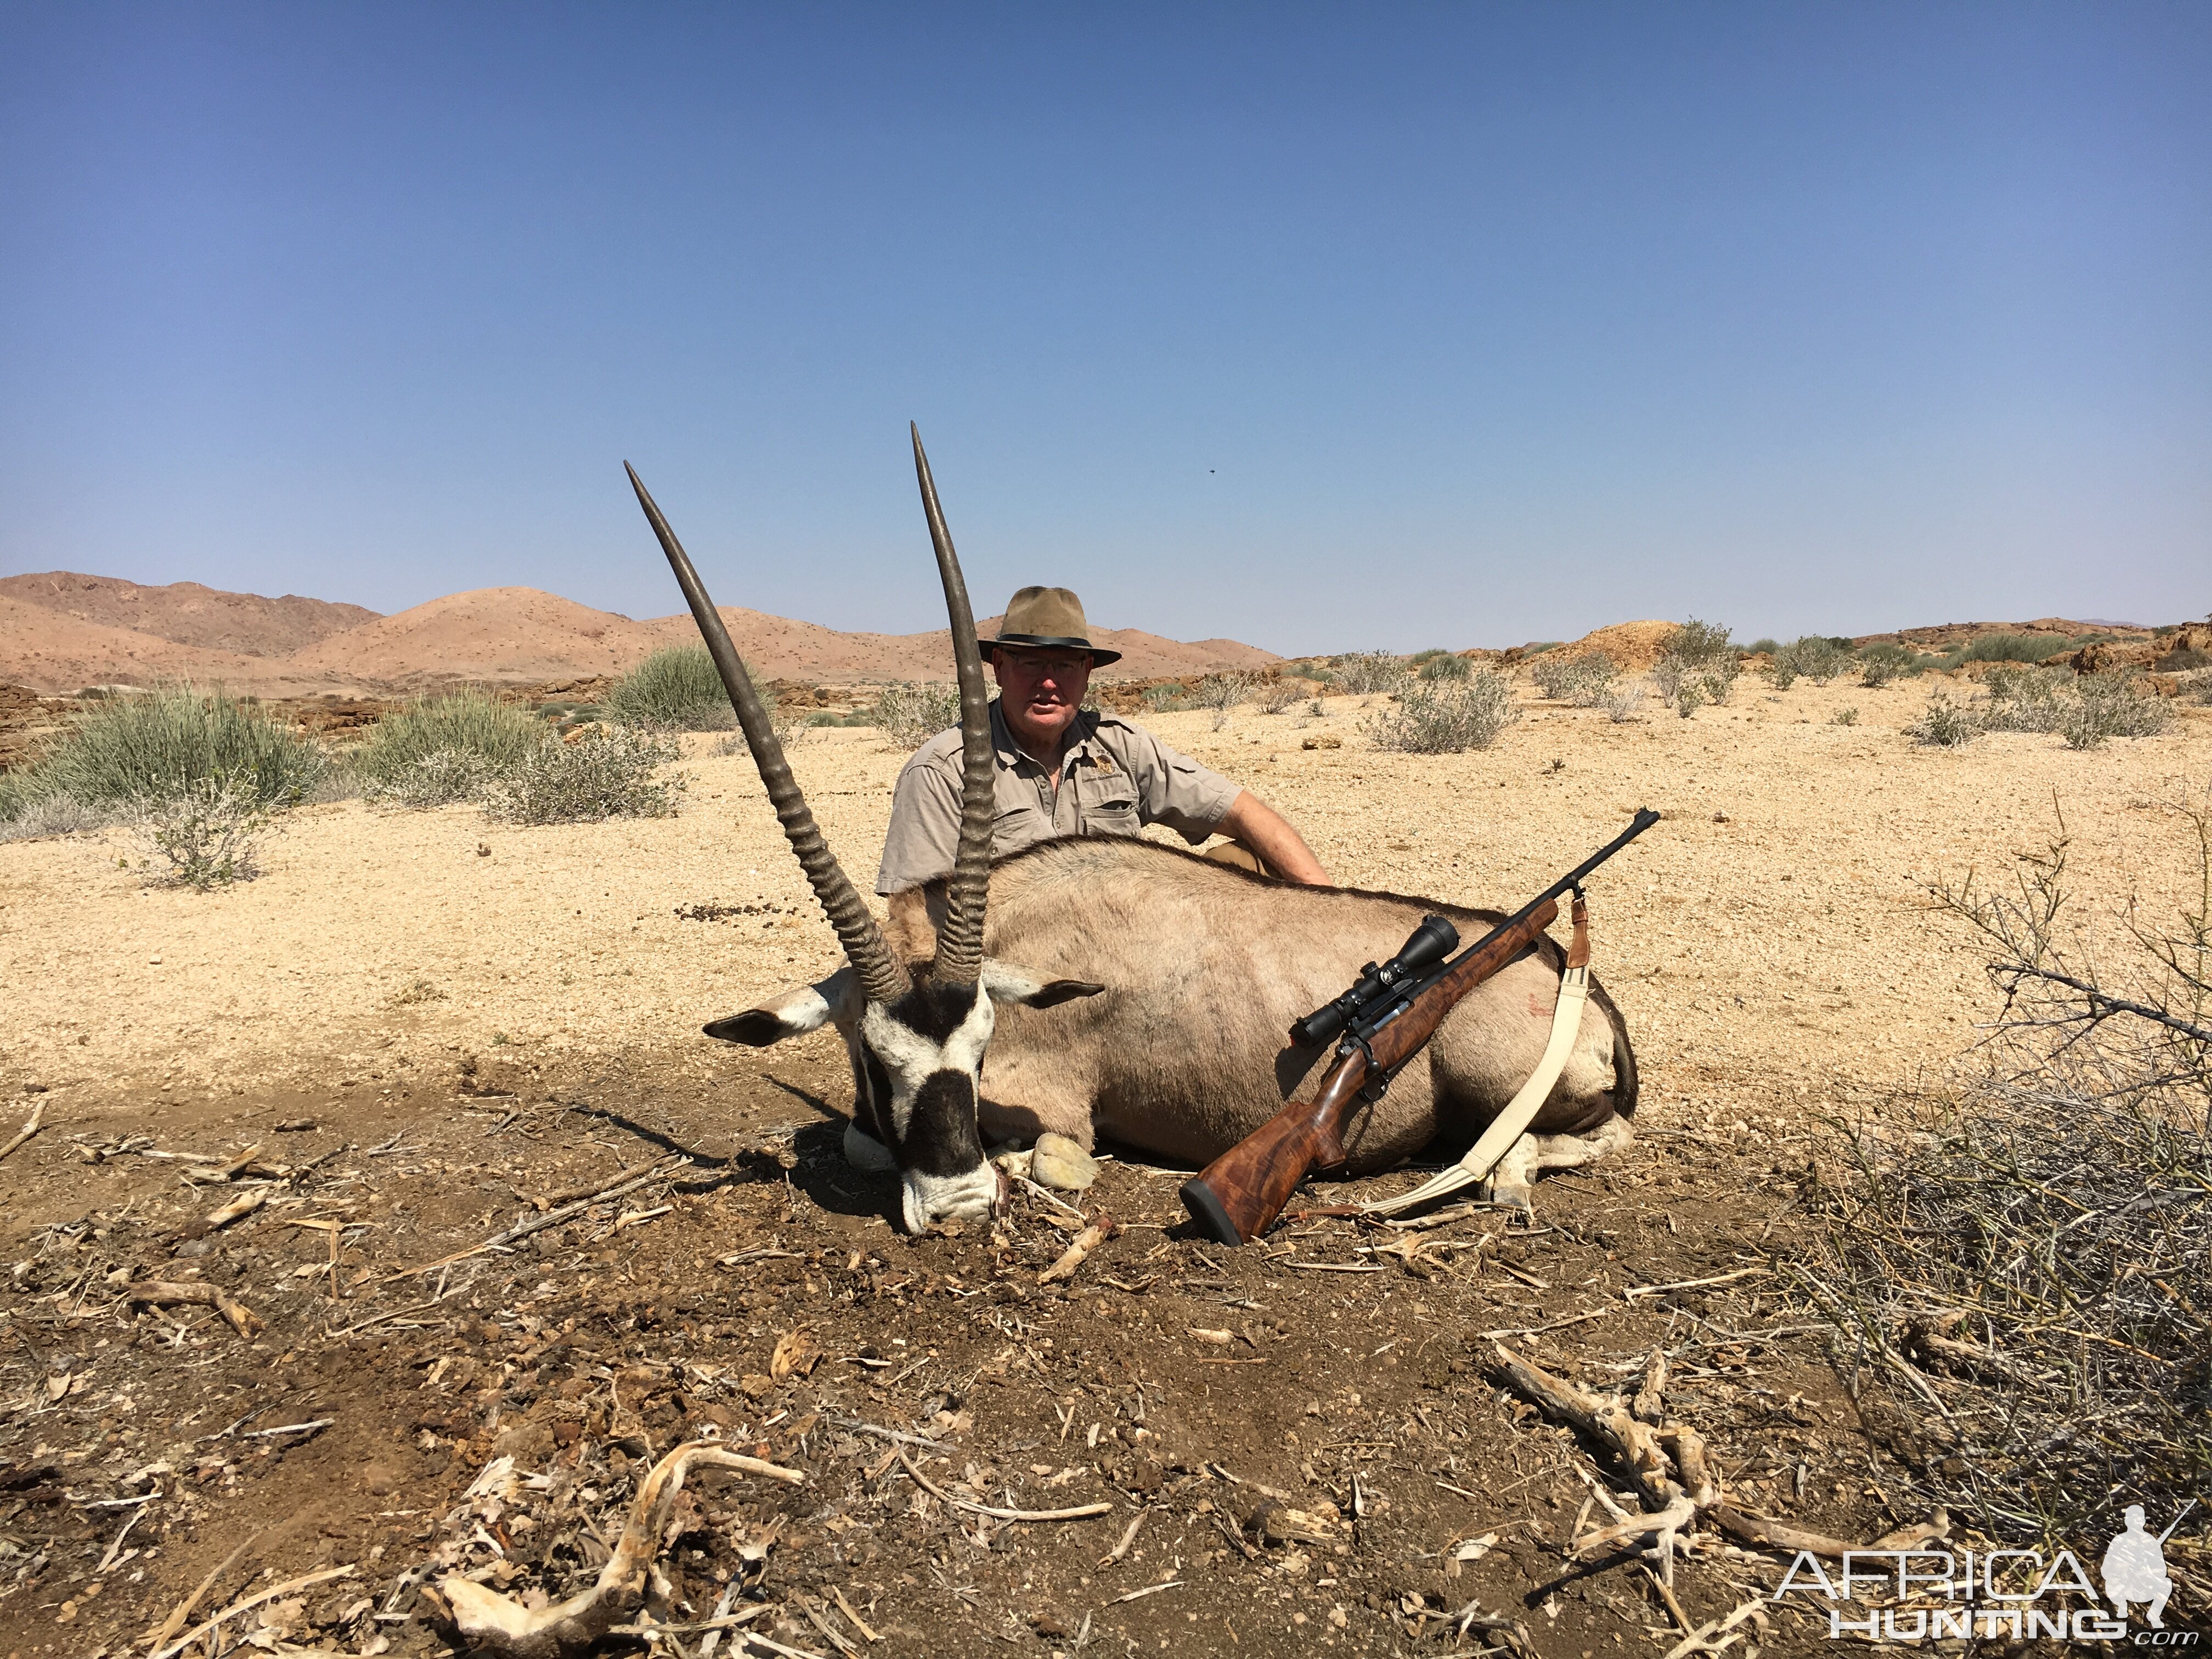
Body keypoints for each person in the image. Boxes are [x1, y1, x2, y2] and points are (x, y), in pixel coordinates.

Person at [874, 584, 1328, 896]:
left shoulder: (1118, 745)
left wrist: (1330, 908)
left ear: (1087, 672)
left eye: (1066, 664)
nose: (1049, 682)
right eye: (1031, 663)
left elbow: (1245, 811)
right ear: (998, 666)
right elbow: (915, 916)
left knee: (1259, 863)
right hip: (1018, 969)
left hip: (1129, 943)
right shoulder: (940, 771)